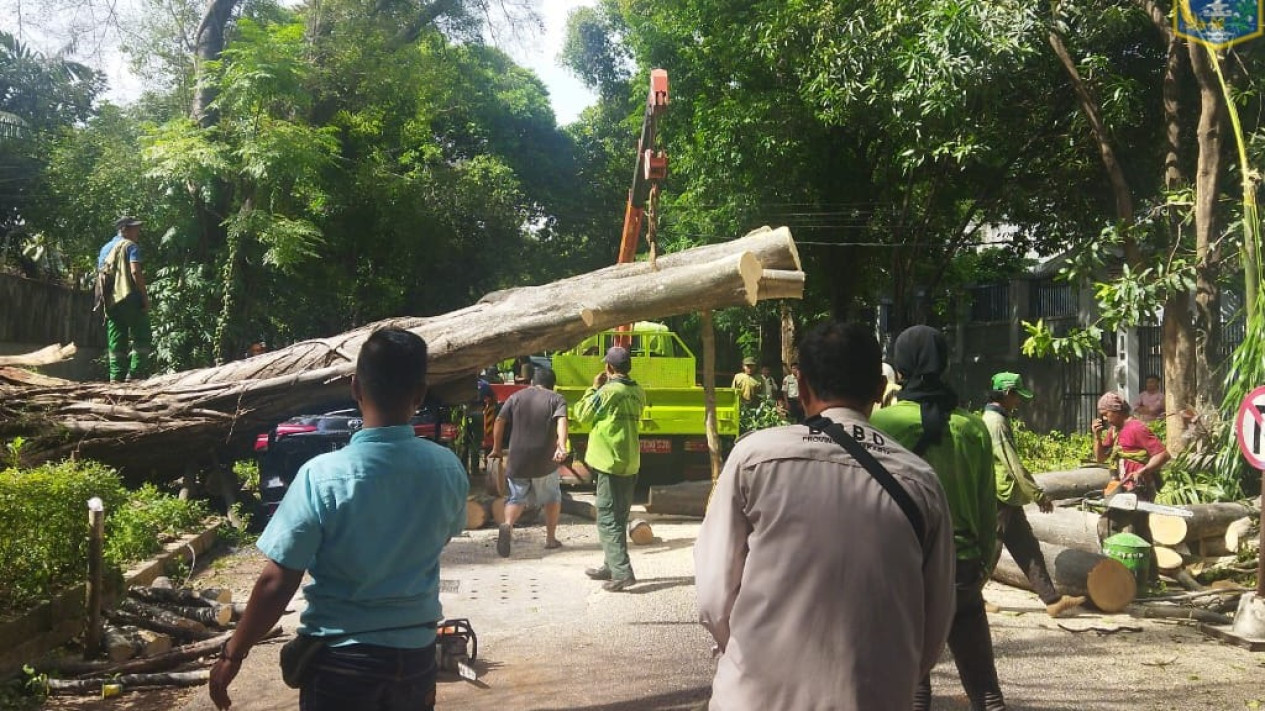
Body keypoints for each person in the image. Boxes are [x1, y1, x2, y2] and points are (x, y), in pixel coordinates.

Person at [696, 321, 954, 710]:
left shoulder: (754, 458)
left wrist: (755, 653)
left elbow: (713, 594)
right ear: (880, 391)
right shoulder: (920, 481)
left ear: (800, 388)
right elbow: (934, 623)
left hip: (755, 696)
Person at [208, 328, 469, 711]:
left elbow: (277, 580)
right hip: (415, 660)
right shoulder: (447, 468)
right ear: (419, 394)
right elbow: (437, 539)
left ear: (355, 389)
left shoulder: (322, 476)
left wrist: (234, 653)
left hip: (340, 664)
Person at [870, 325, 1005, 711]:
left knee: (913, 683)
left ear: (901, 364)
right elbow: (985, 501)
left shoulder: (882, 425)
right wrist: (981, 561)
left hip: (902, 564)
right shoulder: (972, 426)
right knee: (984, 686)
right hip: (961, 564)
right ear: (944, 362)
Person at [982, 372, 1086, 618]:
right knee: (990, 551)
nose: (1019, 402)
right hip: (1001, 496)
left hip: (1007, 496)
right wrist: (1039, 495)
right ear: (1008, 394)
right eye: (1017, 397)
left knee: (1026, 548)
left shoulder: (993, 418)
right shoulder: (996, 423)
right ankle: (967, 597)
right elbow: (1013, 465)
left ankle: (1052, 600)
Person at [575, 346, 646, 592]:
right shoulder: (638, 391)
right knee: (619, 516)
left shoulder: (607, 392)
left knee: (607, 518)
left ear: (608, 367)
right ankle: (610, 564)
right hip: (630, 461)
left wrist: (594, 387)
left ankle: (622, 572)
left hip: (609, 462)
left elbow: (582, 414)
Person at [489, 367, 569, 556]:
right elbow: (561, 421)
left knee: (516, 498)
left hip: (518, 459)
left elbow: (499, 421)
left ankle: (508, 525)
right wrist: (562, 445)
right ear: (552, 384)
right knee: (552, 497)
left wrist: (496, 448)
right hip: (544, 460)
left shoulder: (516, 397)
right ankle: (550, 539)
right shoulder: (556, 399)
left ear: (532, 382)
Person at [1093, 391, 1170, 540]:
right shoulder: (1114, 431)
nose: (1104, 418)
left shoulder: (1136, 428)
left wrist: (1143, 471)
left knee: (1121, 525)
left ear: (1117, 411)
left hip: (1139, 488)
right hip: (1122, 487)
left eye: (1105, 414)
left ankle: (1136, 560)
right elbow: (1101, 458)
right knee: (1119, 525)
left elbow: (1163, 455)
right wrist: (1097, 436)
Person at [96, 216, 152, 382]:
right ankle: (135, 374)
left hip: (110, 302)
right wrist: (144, 297)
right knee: (142, 334)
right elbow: (135, 271)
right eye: (135, 228)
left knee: (116, 339)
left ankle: (116, 377)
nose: (138, 231)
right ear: (124, 230)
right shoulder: (130, 246)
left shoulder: (105, 248)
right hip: (130, 297)